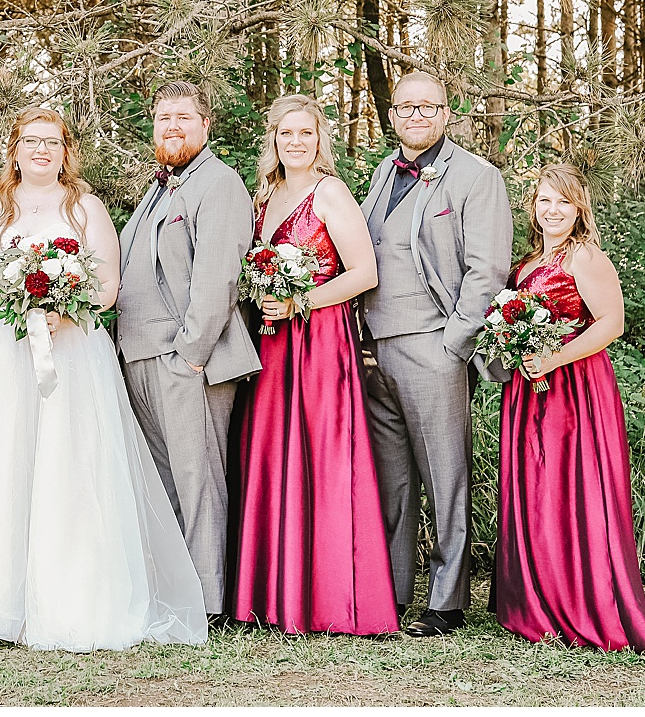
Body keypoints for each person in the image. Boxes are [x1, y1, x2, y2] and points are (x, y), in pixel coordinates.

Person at [0, 107, 207, 651]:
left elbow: (109, 284)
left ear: (65, 151)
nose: (42, 151)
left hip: (72, 349)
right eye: (31, 141)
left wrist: (66, 307)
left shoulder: (86, 207)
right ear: (13, 148)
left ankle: (71, 597)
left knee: (68, 463)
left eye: (52, 143)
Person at [227, 95, 398, 635]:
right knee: (273, 452)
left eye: (305, 133)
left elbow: (365, 272)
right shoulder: (268, 194)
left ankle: (325, 596)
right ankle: (271, 593)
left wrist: (303, 301)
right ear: (272, 140)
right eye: (284, 133)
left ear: (320, 139)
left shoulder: (331, 193)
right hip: (272, 343)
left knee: (320, 452)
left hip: (318, 341)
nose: (294, 142)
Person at [358, 71, 512, 637]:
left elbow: (488, 268)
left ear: (447, 113)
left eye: (428, 107)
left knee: (445, 478)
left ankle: (446, 602)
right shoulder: (382, 172)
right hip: (376, 349)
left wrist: (454, 344)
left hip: (434, 345)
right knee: (392, 482)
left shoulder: (477, 177)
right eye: (405, 107)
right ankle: (393, 593)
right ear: (392, 115)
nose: (415, 115)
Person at [491, 164, 645, 653]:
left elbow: (612, 323)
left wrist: (553, 357)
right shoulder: (524, 266)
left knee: (573, 486)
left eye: (563, 202)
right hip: (528, 389)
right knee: (537, 487)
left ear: (580, 208)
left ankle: (581, 600)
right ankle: (537, 598)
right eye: (544, 200)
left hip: (575, 386)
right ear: (533, 207)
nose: (552, 211)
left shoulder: (585, 257)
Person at [115, 81, 259, 621]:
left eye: (183, 117)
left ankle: (209, 600)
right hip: (141, 354)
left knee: (199, 480)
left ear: (205, 125)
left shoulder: (218, 185)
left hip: (187, 359)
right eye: (162, 118)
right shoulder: (161, 187)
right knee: (166, 480)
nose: (171, 127)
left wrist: (191, 354)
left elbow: (218, 277)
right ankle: (175, 593)